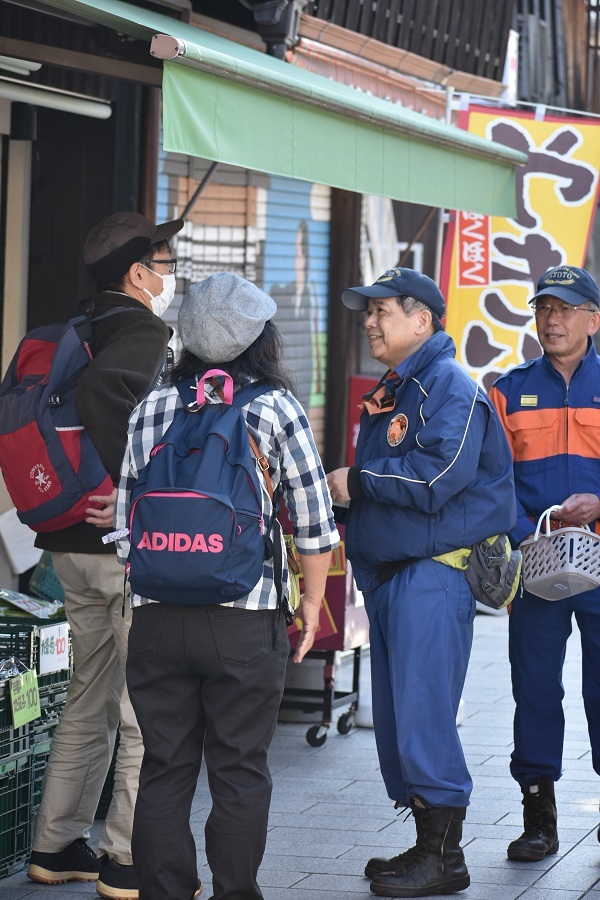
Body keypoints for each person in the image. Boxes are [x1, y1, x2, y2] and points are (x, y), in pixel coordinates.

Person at [114, 272, 339, 900]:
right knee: (239, 768)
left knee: (164, 767)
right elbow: (315, 524)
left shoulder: (152, 407)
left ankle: (165, 891)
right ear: (261, 338)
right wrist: (311, 604)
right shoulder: (275, 408)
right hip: (244, 619)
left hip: (157, 619)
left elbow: (126, 523)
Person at [326, 266, 516, 898]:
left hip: (433, 574)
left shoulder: (450, 384)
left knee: (423, 714)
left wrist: (357, 482)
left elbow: (438, 477)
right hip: (395, 575)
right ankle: (426, 845)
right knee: (401, 719)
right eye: (368, 311)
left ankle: (444, 857)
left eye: (382, 310)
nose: (370, 322)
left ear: (422, 319)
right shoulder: (402, 386)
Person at [27, 210, 184, 900]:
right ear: (139, 274)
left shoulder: (76, 329)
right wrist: (130, 489)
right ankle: (125, 859)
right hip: (119, 548)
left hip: (67, 545)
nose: (172, 274)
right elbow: (104, 394)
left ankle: (57, 843)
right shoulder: (143, 331)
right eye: (166, 262)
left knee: (88, 695)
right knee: (143, 708)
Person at [488, 264, 600, 862]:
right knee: (533, 688)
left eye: (565, 308)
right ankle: (539, 818)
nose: (551, 319)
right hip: (536, 566)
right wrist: (524, 533)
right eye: (543, 308)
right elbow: (491, 480)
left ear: (593, 320)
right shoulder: (506, 392)